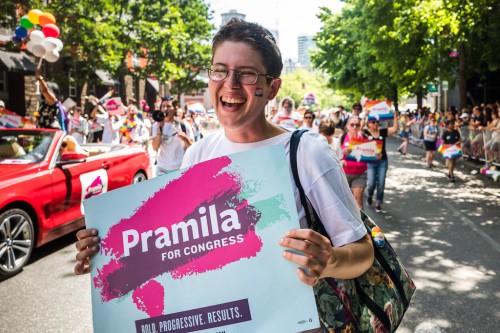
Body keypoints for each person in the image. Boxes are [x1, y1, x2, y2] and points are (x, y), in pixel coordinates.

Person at [74, 19, 374, 331]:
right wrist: (107, 252)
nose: (229, 83)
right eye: (220, 70)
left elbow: (364, 253)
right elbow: (176, 246)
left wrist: (330, 261)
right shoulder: (198, 155)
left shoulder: (307, 152)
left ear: (272, 87)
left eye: (246, 74)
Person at [362, 112, 399, 213]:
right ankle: (369, 195)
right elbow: (359, 129)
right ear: (368, 124)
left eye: (377, 122)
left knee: (381, 183)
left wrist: (395, 117)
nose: (375, 124)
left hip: (382, 161)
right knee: (371, 183)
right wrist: (365, 115)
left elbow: (395, 129)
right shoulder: (366, 133)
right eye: (373, 122)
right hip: (371, 162)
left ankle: (378, 203)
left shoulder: (382, 132)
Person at [151, 97, 193, 175]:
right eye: (163, 106)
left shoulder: (184, 125)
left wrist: (185, 139)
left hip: (180, 167)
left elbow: (193, 147)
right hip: (162, 168)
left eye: (169, 106)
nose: (165, 109)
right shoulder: (156, 126)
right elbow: (155, 148)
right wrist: (159, 129)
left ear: (175, 108)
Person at [340, 116, 368, 209]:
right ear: (347, 126)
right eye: (352, 125)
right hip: (345, 174)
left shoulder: (364, 137)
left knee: (358, 199)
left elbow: (370, 153)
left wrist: (376, 156)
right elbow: (334, 154)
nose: (355, 127)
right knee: (345, 202)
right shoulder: (342, 137)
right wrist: (341, 158)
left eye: (357, 125)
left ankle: (362, 223)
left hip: (360, 173)